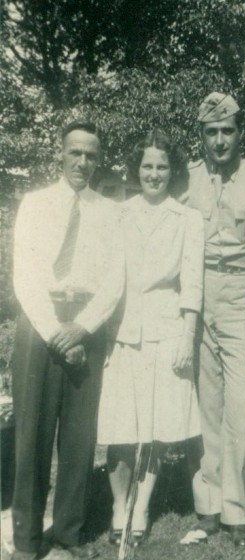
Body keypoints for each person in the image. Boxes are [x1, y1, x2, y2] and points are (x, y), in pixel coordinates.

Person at [11, 121, 125, 560]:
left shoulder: (110, 211)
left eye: (91, 155)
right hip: (41, 326)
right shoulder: (36, 204)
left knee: (79, 440)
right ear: (60, 154)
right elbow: (25, 276)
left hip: (86, 326)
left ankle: (68, 535)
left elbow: (115, 282)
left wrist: (83, 328)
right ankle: (26, 540)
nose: (82, 162)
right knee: (32, 437)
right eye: (75, 152)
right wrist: (57, 332)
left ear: (99, 160)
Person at [97, 130, 204, 548]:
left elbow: (192, 283)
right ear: (136, 169)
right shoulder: (118, 214)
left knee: (156, 428)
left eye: (162, 166)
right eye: (147, 166)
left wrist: (187, 335)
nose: (154, 173)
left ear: (171, 171)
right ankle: (118, 507)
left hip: (166, 330)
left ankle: (141, 507)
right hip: (123, 331)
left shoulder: (187, 218)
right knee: (121, 427)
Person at [179, 93, 245, 547]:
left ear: (240, 134)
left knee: (241, 408)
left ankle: (238, 511)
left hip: (242, 293)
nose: (220, 140)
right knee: (207, 406)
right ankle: (209, 506)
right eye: (211, 132)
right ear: (201, 137)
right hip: (197, 292)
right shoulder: (188, 179)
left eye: (228, 131)